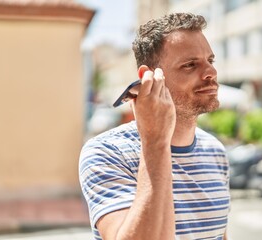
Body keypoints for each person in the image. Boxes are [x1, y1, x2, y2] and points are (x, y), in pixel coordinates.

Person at [79, 12, 230, 240]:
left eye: (210, 61)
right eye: (190, 65)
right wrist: (156, 142)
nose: (211, 72)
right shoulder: (106, 153)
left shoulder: (216, 151)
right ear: (149, 78)